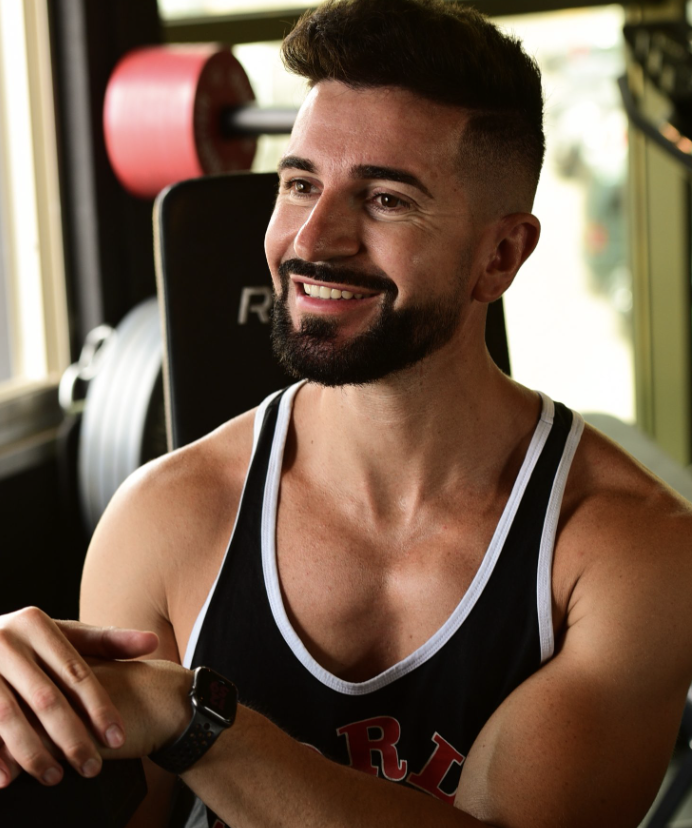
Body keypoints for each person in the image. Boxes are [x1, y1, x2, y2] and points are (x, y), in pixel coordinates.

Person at [1, 1, 692, 826]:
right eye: (300, 184)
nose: (314, 238)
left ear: (501, 254)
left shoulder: (627, 553)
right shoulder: (166, 520)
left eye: (386, 199)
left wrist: (201, 723)